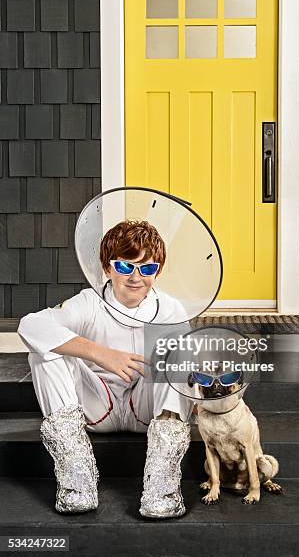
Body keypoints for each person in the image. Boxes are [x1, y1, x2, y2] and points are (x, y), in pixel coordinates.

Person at [17, 219, 194, 519]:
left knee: (179, 354)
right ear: (107, 268)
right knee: (43, 353)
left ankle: (161, 489)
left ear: (158, 271)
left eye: (147, 268)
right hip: (96, 406)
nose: (136, 277)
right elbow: (29, 325)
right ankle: (77, 482)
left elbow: (182, 374)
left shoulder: (170, 308)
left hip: (146, 409)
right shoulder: (90, 302)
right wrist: (101, 354)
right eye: (125, 267)